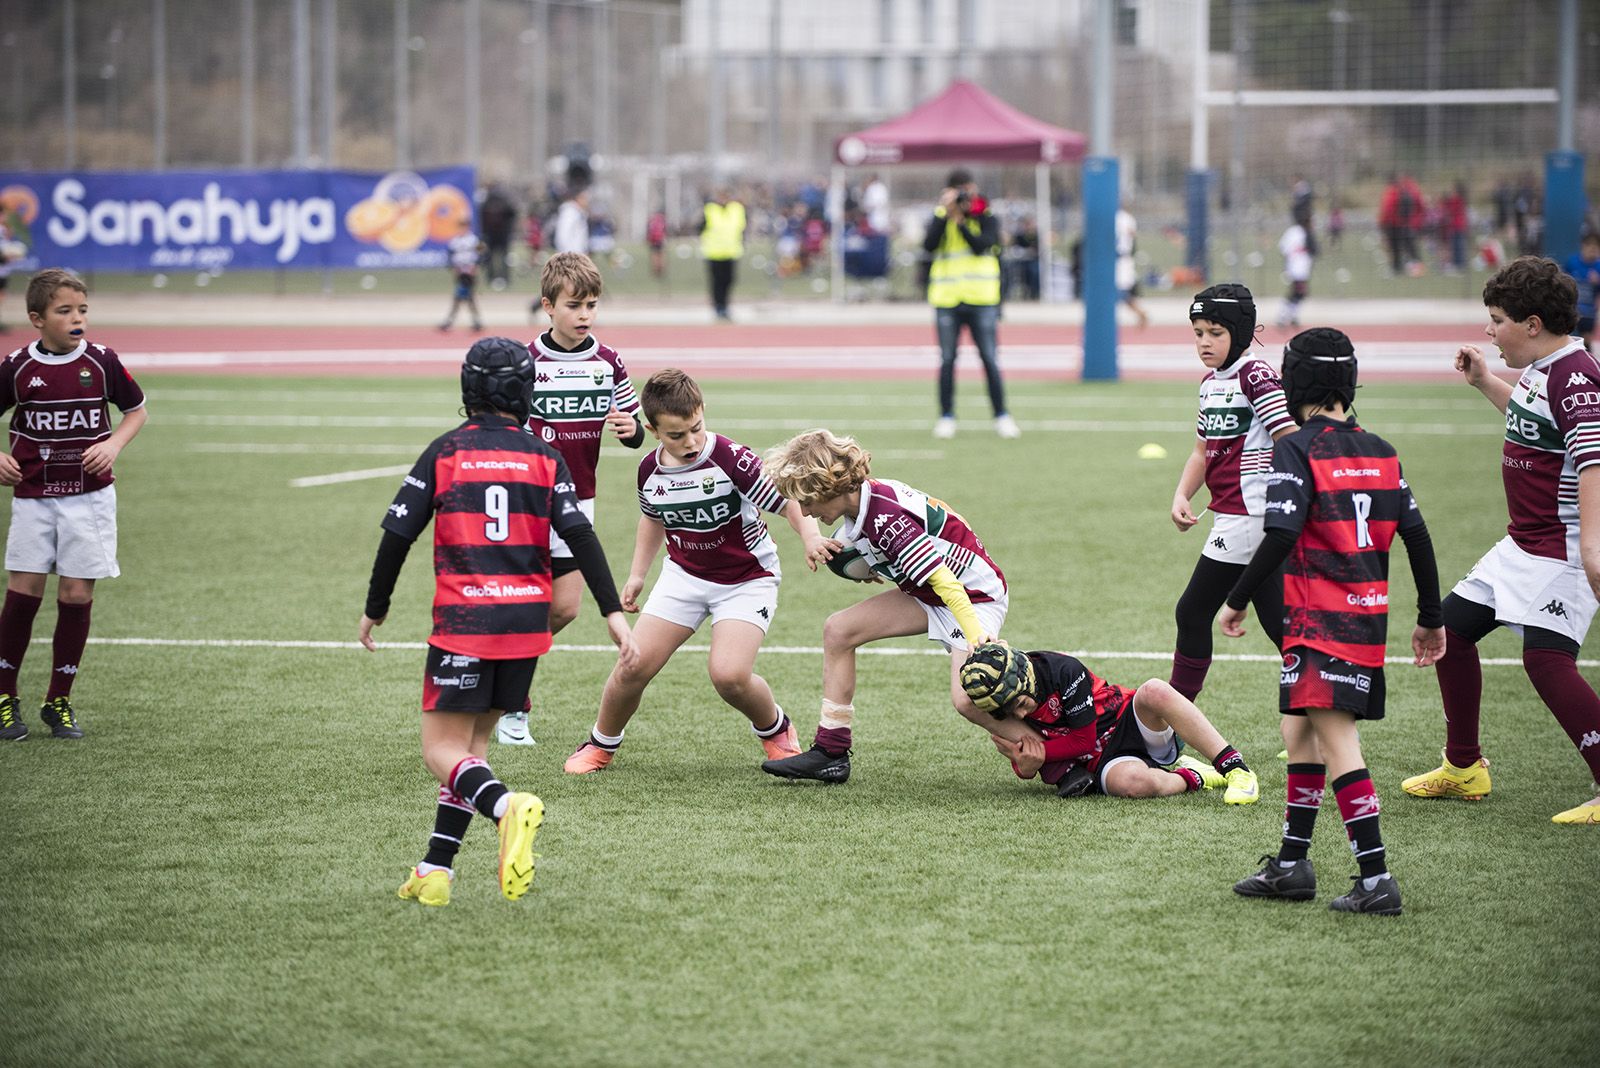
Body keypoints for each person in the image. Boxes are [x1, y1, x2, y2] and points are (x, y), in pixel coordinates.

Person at [360, 337, 638, 907]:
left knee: (440, 750)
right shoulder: (543, 455)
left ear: (467, 389)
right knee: (472, 751)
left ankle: (505, 808)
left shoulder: (446, 451)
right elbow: (580, 536)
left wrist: (376, 606)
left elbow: (397, 534)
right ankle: (435, 870)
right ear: (525, 389)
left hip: (466, 621)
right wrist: (611, 611)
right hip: (524, 625)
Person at [1221, 327, 1445, 915]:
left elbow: (1282, 533)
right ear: (1349, 384)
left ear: (1293, 383)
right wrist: (1430, 616)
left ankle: (1376, 878)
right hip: (1364, 619)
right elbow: (1416, 537)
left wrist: (1238, 597)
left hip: (1321, 619)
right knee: (1299, 732)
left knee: (1338, 739)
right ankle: (1293, 864)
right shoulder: (1380, 449)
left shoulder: (1297, 448)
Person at [1400, 256, 1600, 826]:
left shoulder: (1577, 379)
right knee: (1450, 635)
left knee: (1545, 661)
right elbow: (1531, 422)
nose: (1489, 330)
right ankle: (1464, 766)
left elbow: (1593, 464)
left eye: (1497, 319)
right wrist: (1487, 380)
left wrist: (1592, 551)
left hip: (1561, 552)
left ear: (1532, 323)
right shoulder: (1544, 368)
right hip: (1520, 547)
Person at [561, 368, 828, 774]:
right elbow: (652, 519)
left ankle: (775, 729)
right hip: (684, 577)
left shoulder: (731, 460)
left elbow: (788, 501)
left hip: (746, 580)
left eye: (695, 429)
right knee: (632, 666)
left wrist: (810, 537)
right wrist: (637, 574)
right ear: (652, 430)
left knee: (729, 676)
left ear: (703, 412)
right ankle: (600, 744)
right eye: (675, 435)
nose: (689, 442)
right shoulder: (650, 471)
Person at [759, 429, 1010, 783]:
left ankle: (1052, 749)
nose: (804, 511)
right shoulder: (863, 504)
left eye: (808, 502)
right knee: (839, 630)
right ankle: (831, 751)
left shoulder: (885, 520)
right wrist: (860, 565)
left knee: (967, 699)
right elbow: (877, 555)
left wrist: (976, 637)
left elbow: (945, 581)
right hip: (928, 593)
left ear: (828, 488)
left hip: (971, 596)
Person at [492, 252, 647, 747]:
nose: (584, 315)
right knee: (523, 600)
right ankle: (513, 704)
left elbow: (633, 431)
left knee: (564, 609)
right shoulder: (525, 362)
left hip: (579, 501)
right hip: (524, 499)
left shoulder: (609, 361)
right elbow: (500, 429)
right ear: (547, 306)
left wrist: (631, 429)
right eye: (574, 305)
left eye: (592, 305)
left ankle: (501, 663)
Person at [0, 269, 147, 742]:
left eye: (82, 309)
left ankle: (58, 700)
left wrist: (115, 446)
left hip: (90, 498)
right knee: (23, 594)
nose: (77, 318)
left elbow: (137, 411)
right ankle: (5, 698)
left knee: (77, 595)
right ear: (36, 319)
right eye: (64, 311)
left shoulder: (102, 361)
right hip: (34, 497)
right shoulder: (18, 366)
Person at [1168, 284, 1296, 704]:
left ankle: (1173, 722)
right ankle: (1318, 720)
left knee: (1192, 612)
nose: (1204, 341)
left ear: (1240, 334)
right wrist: (1182, 495)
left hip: (1250, 516)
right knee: (1280, 625)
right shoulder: (1210, 383)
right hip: (1235, 515)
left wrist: (1290, 501)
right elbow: (1202, 451)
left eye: (1215, 332)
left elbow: (1291, 439)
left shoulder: (1255, 376)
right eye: (1198, 332)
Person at [959, 641, 1260, 804]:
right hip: (1103, 762)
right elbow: (1025, 757)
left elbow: (1082, 741)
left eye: (1021, 705)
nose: (1021, 716)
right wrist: (1025, 767)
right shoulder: (1005, 698)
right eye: (1010, 712)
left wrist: (1039, 757)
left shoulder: (1063, 669)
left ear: (1025, 679)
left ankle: (1235, 768)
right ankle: (1194, 776)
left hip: (1130, 724)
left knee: (1154, 689)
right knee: (1133, 784)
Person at [923, 168, 1019, 440]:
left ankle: (1002, 415)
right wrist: (946, 213)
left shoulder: (985, 216)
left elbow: (981, 246)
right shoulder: (941, 216)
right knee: (947, 359)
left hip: (981, 299)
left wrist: (962, 220)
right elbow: (928, 245)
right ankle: (946, 416)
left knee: (989, 358)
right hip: (948, 300)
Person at [699, 186, 745, 321]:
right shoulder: (710, 210)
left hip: (731, 251)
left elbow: (742, 228)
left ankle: (726, 305)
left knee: (729, 281)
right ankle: (719, 307)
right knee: (716, 282)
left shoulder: (737, 209)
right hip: (713, 252)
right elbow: (700, 228)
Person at [438, 228, 485, 333]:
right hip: (460, 272)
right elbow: (450, 254)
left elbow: (482, 252)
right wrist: (453, 267)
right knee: (467, 298)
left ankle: (450, 321)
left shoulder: (473, 240)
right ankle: (476, 321)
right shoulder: (455, 241)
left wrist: (476, 266)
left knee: (461, 297)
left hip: (470, 272)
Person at [1562, 231, 1600, 354]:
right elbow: (1563, 281)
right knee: (1568, 336)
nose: (1592, 252)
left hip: (1589, 310)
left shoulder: (1598, 266)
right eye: (1590, 248)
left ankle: (1588, 361)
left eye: (1595, 249)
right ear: (1583, 246)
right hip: (1573, 307)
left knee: (1586, 339)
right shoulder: (1572, 262)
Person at [1114, 203, 1149, 330]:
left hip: (1120, 260)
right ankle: (1141, 314)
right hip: (1122, 259)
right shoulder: (1127, 218)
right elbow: (1133, 235)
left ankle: (1141, 313)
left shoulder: (1119, 218)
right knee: (1121, 293)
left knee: (1119, 293)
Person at [1277, 214, 1313, 328]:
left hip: (1303, 268)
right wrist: (1293, 255)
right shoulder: (1294, 232)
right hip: (1296, 267)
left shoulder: (1307, 233)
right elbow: (1283, 247)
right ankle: (1283, 316)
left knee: (1299, 293)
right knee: (1297, 292)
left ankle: (1292, 316)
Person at [478, 184, 517, 290]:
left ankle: (497, 277)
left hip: (497, 235)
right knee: (495, 258)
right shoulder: (489, 203)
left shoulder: (488, 203)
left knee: (497, 258)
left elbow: (512, 215)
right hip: (496, 236)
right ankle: (500, 277)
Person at [553, 189, 590, 256]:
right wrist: (565, 254)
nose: (587, 202)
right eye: (585, 198)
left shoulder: (579, 213)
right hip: (570, 254)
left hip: (577, 253)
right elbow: (563, 233)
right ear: (578, 198)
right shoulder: (569, 212)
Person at [646, 208, 668, 281]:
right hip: (660, 241)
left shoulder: (651, 220)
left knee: (654, 256)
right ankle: (661, 270)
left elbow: (648, 230)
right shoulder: (663, 220)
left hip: (653, 241)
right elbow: (665, 230)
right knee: (661, 256)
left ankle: (655, 271)